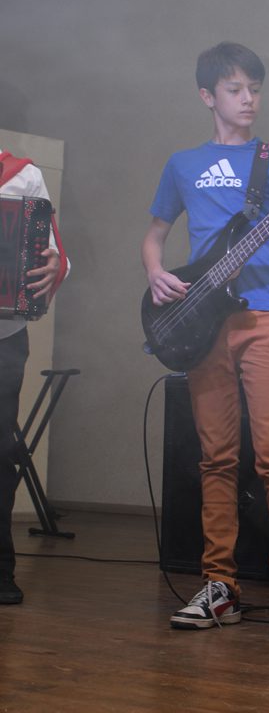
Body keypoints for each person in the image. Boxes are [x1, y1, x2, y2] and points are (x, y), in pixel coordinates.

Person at [142, 42, 269, 640]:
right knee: (216, 458)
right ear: (208, 96)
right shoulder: (183, 163)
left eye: (255, 88)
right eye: (236, 89)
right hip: (203, 323)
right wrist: (155, 272)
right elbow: (155, 233)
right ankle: (218, 585)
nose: (249, 98)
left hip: (265, 318)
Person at [0, 152, 68, 604]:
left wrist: (53, 266)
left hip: (3, 337)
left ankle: (0, 569)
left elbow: (57, 256)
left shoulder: (22, 175)